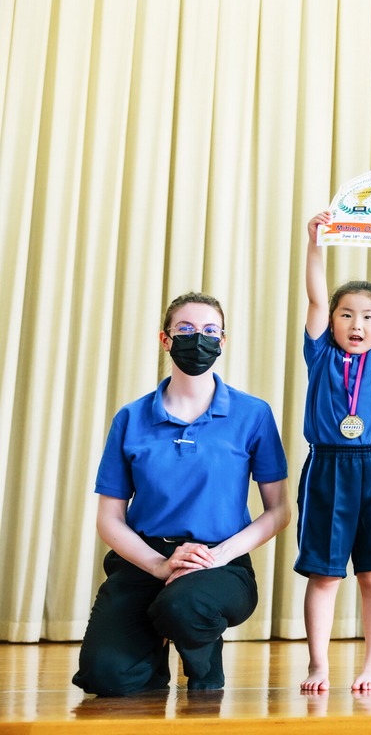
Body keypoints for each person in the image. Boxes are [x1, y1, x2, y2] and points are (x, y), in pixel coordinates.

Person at [73, 292, 289, 696]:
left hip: (220, 562)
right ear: (165, 339)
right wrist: (160, 566)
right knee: (106, 677)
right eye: (185, 330)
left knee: (185, 606)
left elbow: (278, 512)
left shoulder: (253, 414)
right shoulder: (131, 417)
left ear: (222, 342)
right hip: (144, 560)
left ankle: (200, 657)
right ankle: (154, 645)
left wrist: (216, 557)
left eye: (209, 331)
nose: (198, 338)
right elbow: (109, 519)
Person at [296, 211, 371, 692]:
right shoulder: (320, 353)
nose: (357, 323)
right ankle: (318, 664)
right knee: (324, 575)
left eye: (368, 315)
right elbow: (313, 294)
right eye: (346, 314)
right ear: (331, 321)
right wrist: (315, 243)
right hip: (328, 468)